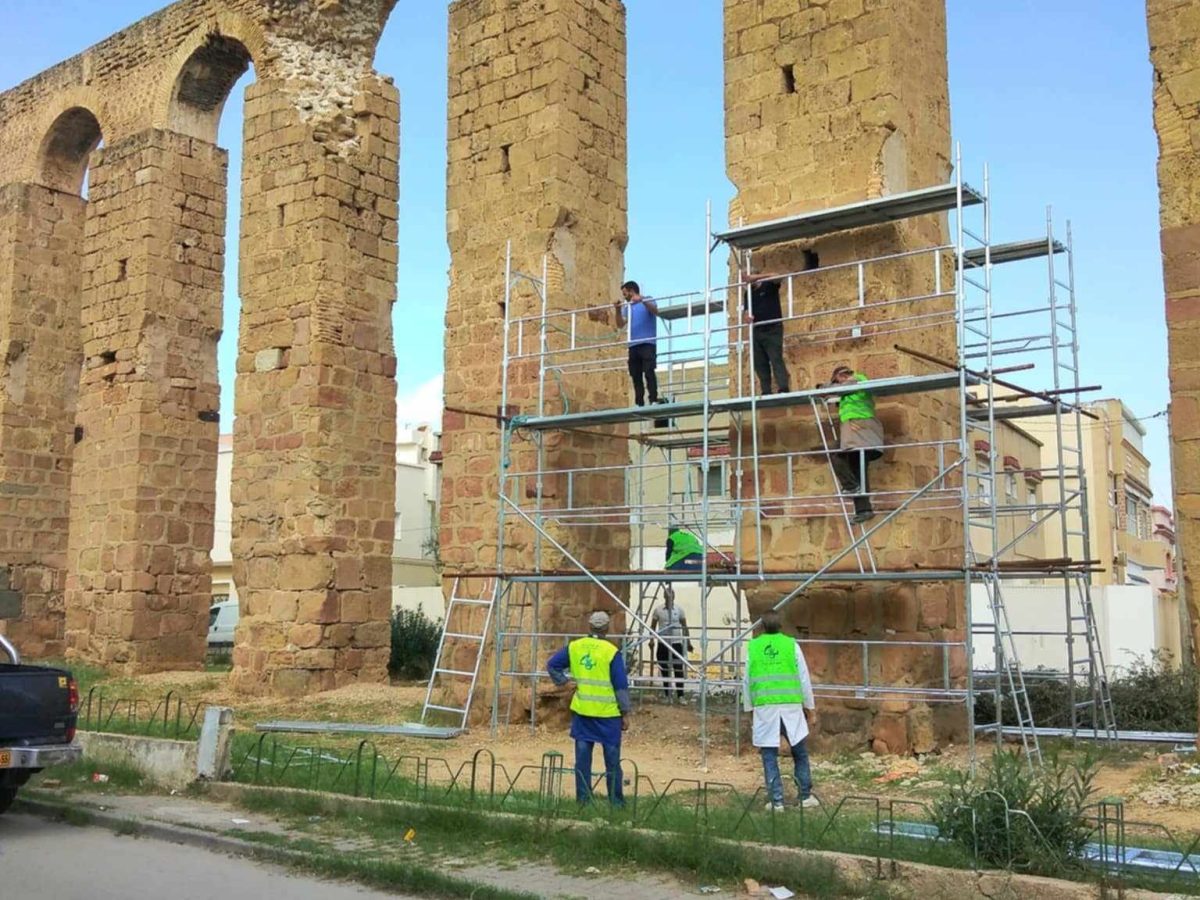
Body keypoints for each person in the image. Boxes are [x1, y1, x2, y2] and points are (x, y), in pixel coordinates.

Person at [547, 611, 630, 805]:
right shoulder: (611, 652)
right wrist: (625, 713)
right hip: (608, 715)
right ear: (607, 628)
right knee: (612, 761)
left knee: (583, 760)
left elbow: (552, 665)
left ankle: (583, 800)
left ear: (589, 627)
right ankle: (616, 802)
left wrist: (564, 683)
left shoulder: (575, 647)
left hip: (583, 712)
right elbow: (620, 686)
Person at [743, 610, 818, 812]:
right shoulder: (791, 645)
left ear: (762, 626)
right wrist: (810, 709)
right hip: (790, 707)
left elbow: (747, 680)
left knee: (769, 755)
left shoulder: (754, 647)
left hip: (765, 708)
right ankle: (805, 795)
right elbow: (804, 679)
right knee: (799, 752)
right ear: (780, 625)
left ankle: (776, 801)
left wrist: (749, 709)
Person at [828, 364, 884, 524]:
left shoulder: (855, 379)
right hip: (857, 426)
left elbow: (842, 388)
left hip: (858, 425)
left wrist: (824, 388)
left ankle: (851, 486)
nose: (836, 384)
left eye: (836, 381)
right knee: (857, 466)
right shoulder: (850, 387)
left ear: (842, 376)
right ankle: (864, 509)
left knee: (837, 454)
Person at [613, 281, 659, 408]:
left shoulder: (648, 299)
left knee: (649, 371)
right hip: (633, 345)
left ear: (631, 291)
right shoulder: (627, 307)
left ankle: (653, 399)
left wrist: (642, 300)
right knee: (636, 374)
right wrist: (617, 310)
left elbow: (655, 311)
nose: (624, 297)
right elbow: (620, 324)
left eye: (625, 294)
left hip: (647, 343)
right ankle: (639, 403)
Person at [743, 271, 791, 394]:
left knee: (775, 358)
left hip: (773, 328)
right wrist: (747, 316)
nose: (745, 280)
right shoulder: (748, 293)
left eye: (746, 277)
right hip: (757, 330)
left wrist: (757, 277)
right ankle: (766, 390)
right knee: (759, 362)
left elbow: (781, 275)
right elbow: (746, 311)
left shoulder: (769, 285)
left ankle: (783, 387)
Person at [651, 585, 692, 702]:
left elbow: (685, 626)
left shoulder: (679, 610)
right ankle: (667, 695)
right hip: (663, 643)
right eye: (667, 594)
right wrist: (651, 640)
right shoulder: (658, 610)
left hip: (676, 643)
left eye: (671, 595)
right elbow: (652, 627)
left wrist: (688, 642)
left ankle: (681, 696)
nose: (669, 597)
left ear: (674, 596)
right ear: (664, 596)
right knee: (664, 669)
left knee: (678, 669)